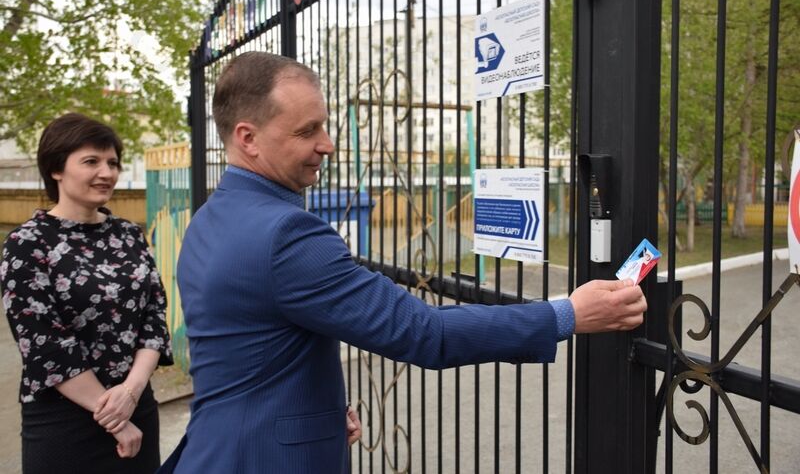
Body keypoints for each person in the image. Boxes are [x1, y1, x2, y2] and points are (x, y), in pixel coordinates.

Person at [160, 52, 647, 473]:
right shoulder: (286, 234)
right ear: (247, 138)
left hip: (218, 447)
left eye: (324, 124)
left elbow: (248, 348)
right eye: (307, 131)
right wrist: (568, 314)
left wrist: (315, 414)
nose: (327, 143)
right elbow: (424, 332)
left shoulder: (210, 218)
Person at [0, 113, 173, 473]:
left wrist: (130, 393)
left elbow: (154, 317)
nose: (106, 172)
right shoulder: (27, 243)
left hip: (136, 408)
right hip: (65, 423)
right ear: (56, 169)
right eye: (91, 161)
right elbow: (45, 344)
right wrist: (116, 419)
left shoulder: (130, 235)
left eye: (113, 162)